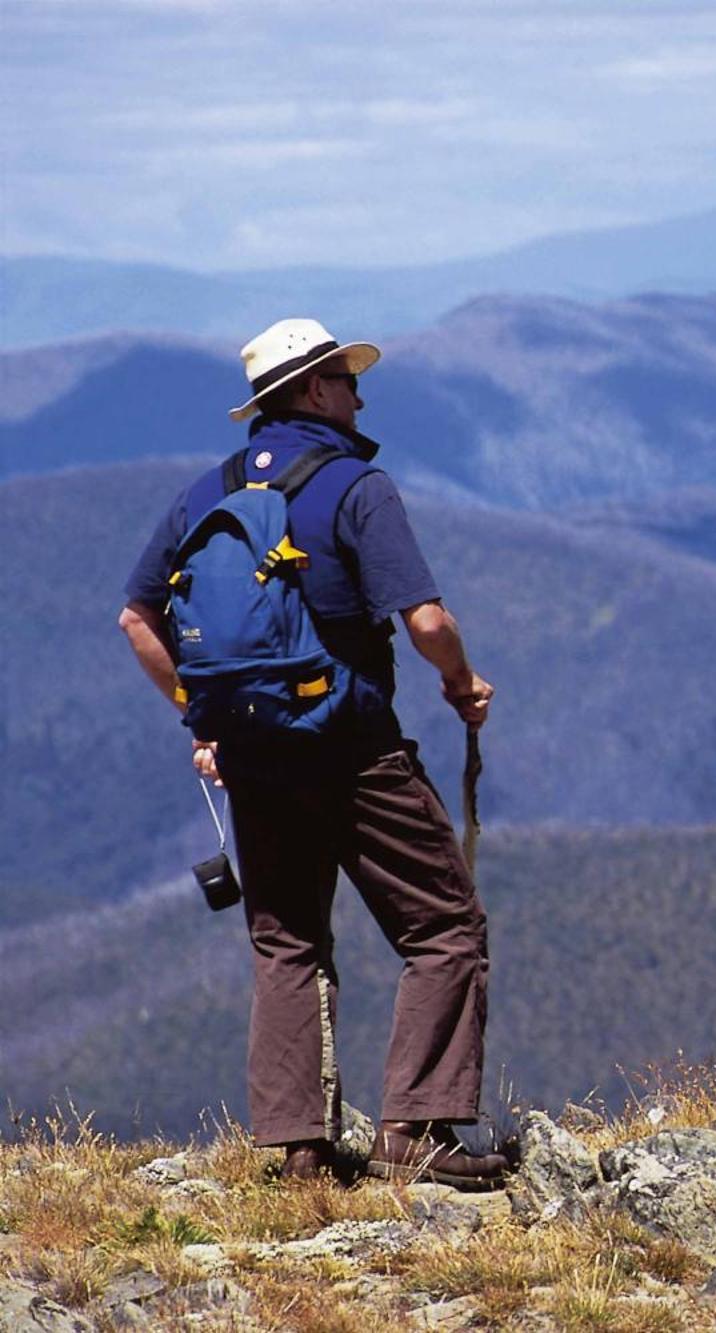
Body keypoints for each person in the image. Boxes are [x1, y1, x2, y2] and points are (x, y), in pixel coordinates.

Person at [118, 318, 508, 1188]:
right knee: (445, 927)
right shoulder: (356, 488)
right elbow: (428, 621)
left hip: (254, 756)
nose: (358, 392)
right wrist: (461, 683)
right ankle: (418, 1128)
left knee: (288, 942)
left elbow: (137, 619)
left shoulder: (203, 495)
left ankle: (300, 1151)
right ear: (311, 391)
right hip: (355, 750)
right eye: (344, 376)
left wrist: (201, 713)